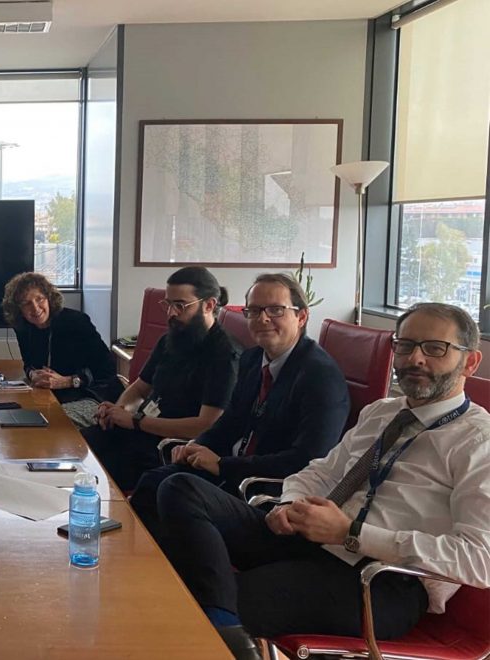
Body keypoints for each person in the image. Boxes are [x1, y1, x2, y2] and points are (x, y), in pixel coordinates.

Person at [154, 303, 488, 660]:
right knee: (181, 487)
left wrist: (351, 533)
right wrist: (290, 504)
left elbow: (479, 560)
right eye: (405, 345)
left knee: (202, 596)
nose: (415, 358)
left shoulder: (478, 441)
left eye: (435, 348)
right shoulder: (382, 412)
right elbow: (321, 472)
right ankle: (227, 628)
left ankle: (221, 623)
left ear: (469, 362)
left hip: (379, 582)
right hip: (315, 542)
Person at [129, 273, 350, 538]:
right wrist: (197, 445)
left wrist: (223, 465)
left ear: (301, 317)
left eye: (275, 310)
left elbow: (308, 460)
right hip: (233, 474)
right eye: (254, 311)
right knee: (151, 483)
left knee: (177, 491)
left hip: (267, 494)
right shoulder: (253, 359)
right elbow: (230, 421)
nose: (263, 319)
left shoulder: (319, 377)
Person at [84, 266, 239, 491]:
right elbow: (139, 389)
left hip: (170, 447)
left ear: (208, 305)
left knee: (95, 472)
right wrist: (118, 411)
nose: (171, 313)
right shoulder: (170, 339)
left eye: (180, 306)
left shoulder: (223, 355)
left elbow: (205, 425)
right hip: (143, 430)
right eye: (168, 304)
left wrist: (136, 421)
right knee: (80, 445)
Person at [3, 272, 124, 428]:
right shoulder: (23, 328)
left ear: (49, 298)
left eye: (39, 299)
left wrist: (68, 381)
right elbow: (28, 364)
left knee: (48, 420)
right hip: (53, 395)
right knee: (13, 411)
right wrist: (33, 374)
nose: (35, 308)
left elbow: (107, 370)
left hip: (94, 395)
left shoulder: (76, 322)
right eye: (26, 303)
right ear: (18, 309)